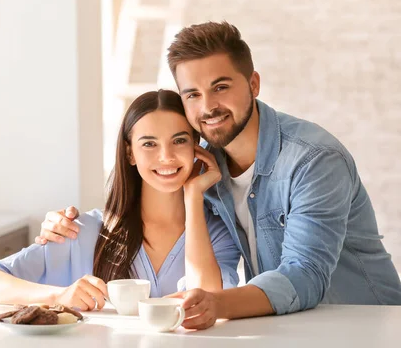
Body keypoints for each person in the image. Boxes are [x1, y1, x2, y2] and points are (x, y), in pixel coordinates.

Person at [36, 21, 401, 329]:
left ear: (254, 84)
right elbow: (147, 198)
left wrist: (217, 304)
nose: (207, 107)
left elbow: (305, 274)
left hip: (367, 327)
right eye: (192, 94)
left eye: (220, 87)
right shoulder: (207, 168)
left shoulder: (313, 160)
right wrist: (61, 227)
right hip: (291, 329)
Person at [0, 90, 240, 316]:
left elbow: (208, 306)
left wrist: (193, 196)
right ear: (130, 153)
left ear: (196, 147)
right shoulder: (82, 230)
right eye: (149, 144)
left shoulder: (217, 235)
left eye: (179, 141)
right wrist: (58, 295)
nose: (166, 156)